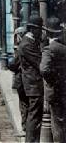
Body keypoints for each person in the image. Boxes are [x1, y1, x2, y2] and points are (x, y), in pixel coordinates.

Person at [40, 17, 66, 142]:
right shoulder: (63, 47)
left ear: (48, 33)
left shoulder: (49, 49)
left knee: (57, 123)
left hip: (54, 91)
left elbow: (44, 69)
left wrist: (52, 80)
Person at [19, 15, 44, 143]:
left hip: (32, 83)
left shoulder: (30, 42)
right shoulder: (27, 44)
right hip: (33, 84)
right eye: (39, 29)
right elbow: (39, 63)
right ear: (33, 29)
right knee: (34, 116)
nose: (41, 32)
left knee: (34, 115)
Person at [9, 26, 28, 134]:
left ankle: (25, 127)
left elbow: (13, 64)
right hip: (28, 81)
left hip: (22, 81)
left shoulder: (22, 47)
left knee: (24, 104)